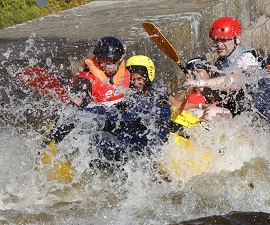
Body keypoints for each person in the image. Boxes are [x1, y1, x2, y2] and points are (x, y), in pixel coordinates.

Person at [183, 16, 267, 117]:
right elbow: (218, 97)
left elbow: (234, 82)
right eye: (216, 40)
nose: (219, 44)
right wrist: (201, 88)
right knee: (193, 112)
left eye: (223, 40)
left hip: (259, 110)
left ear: (237, 39)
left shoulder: (246, 57)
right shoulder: (220, 62)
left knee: (211, 113)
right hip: (239, 109)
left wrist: (201, 82)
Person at [68, 36, 130, 108]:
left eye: (114, 59)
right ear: (98, 59)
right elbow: (74, 104)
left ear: (120, 59)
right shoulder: (86, 80)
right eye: (106, 59)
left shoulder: (126, 73)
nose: (110, 63)